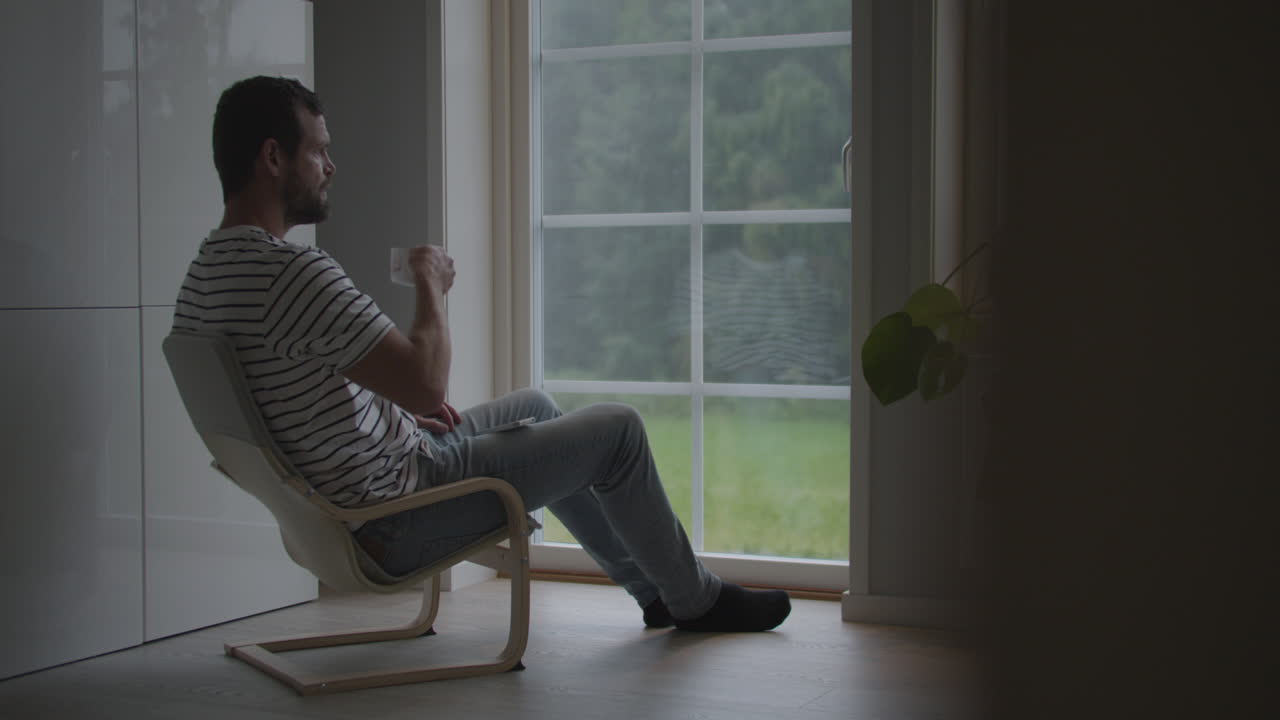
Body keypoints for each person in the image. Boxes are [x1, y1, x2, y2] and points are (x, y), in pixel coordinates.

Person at [173, 75, 790, 633]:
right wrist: (430, 286)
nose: (331, 166)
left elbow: (297, 398)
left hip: (368, 489)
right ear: (273, 158)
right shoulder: (291, 272)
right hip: (395, 516)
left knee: (539, 405)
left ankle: (655, 592)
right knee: (619, 431)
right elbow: (426, 384)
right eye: (318, 150)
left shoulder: (207, 275)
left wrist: (396, 421)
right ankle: (696, 600)